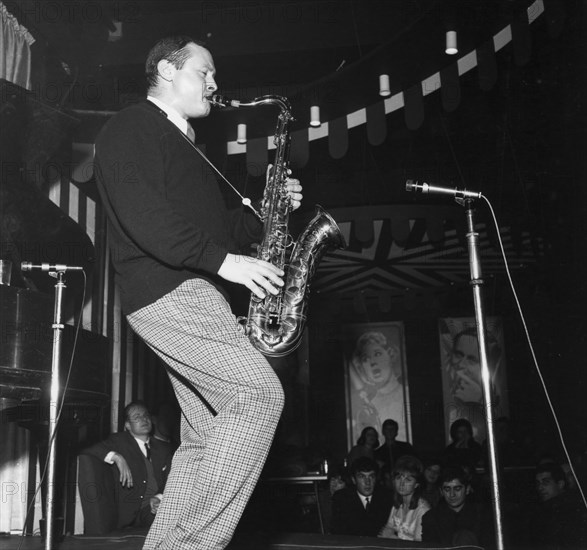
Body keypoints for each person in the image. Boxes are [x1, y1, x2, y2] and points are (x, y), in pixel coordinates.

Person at [94, 35, 303, 550]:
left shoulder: (186, 145)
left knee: (204, 437)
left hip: (193, 289)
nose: (215, 83)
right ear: (167, 69)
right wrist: (227, 263)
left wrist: (261, 219)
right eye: (204, 71)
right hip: (170, 289)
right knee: (257, 396)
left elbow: (209, 231)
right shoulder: (131, 126)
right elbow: (145, 219)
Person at [81, 401, 174, 529]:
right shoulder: (119, 441)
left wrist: (159, 497)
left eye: (146, 415)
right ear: (127, 425)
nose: (144, 419)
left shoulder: (164, 449)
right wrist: (117, 457)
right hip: (129, 514)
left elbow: (172, 479)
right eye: (137, 417)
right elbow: (89, 449)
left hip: (155, 509)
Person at [348, 331, 406, 439]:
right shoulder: (369, 408)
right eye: (365, 359)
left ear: (391, 354)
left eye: (377, 354)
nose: (372, 363)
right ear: (362, 368)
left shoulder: (408, 395)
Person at [421, 465, 491, 546]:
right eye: (447, 489)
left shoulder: (483, 515)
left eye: (457, 489)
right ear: (441, 492)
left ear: (467, 489)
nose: (452, 494)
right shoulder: (431, 517)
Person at [524, 462, 587, 549]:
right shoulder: (542, 510)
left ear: (560, 484)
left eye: (546, 482)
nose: (540, 488)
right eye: (538, 483)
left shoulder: (572, 509)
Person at [330, 457, 392, 536]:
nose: (367, 482)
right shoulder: (342, 498)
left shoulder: (387, 497)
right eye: (362, 477)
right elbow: (338, 531)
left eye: (371, 476)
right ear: (353, 480)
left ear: (376, 479)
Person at [379, 455, 431, 541]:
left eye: (408, 480)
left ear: (416, 484)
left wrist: (392, 537)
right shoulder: (397, 504)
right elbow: (387, 530)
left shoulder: (423, 510)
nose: (402, 484)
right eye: (398, 478)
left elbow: (420, 547)